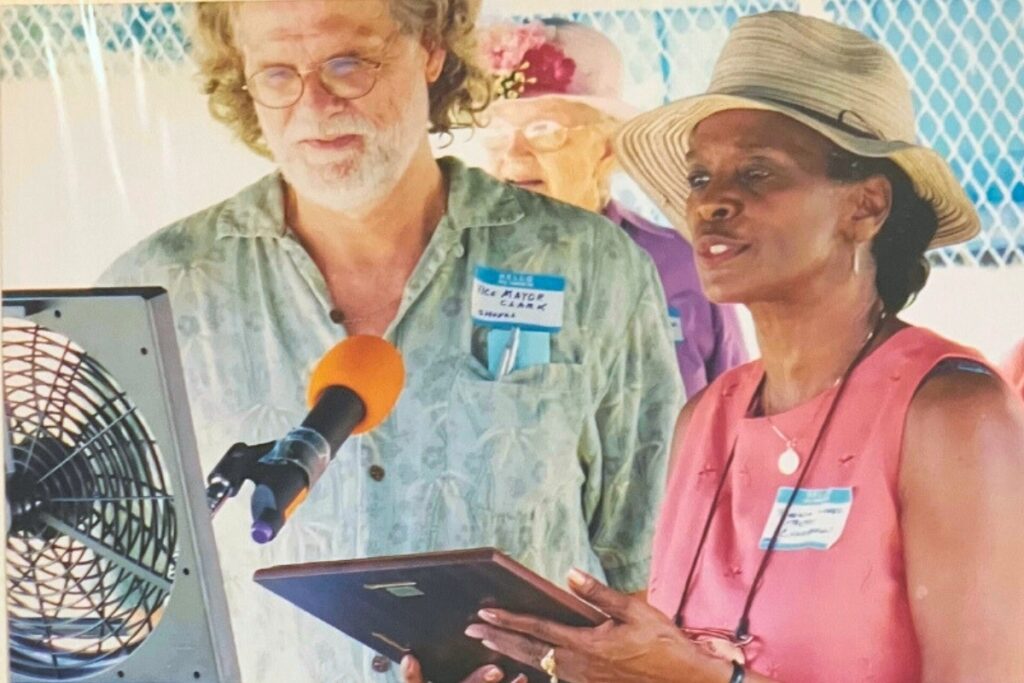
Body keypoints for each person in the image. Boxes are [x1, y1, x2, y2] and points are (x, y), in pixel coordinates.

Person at [403, 10, 1024, 683]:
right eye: (700, 179)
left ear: (866, 206)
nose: (712, 204)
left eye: (758, 174)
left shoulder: (950, 413)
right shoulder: (707, 416)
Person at [99, 1, 683, 681]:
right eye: (277, 74)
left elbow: (650, 582)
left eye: (348, 64)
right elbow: (119, 600)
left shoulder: (588, 267)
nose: (314, 105)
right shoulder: (157, 292)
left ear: (432, 47)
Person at [471, 19, 747, 397]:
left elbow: (740, 414)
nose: (514, 155)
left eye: (544, 131)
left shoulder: (683, 264)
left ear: (607, 148)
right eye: (498, 133)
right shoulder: (467, 267)